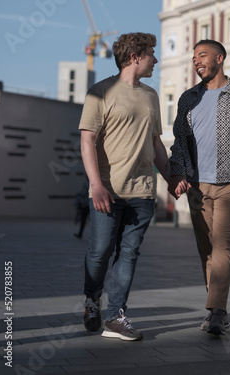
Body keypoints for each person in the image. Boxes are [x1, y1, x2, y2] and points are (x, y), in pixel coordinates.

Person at [168, 39, 230, 336]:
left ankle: (217, 312)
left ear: (219, 58)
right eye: (194, 57)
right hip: (197, 186)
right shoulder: (188, 98)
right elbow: (179, 141)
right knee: (206, 249)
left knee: (222, 246)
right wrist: (178, 174)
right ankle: (216, 306)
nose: (196, 61)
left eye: (202, 55)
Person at [79, 32, 172, 341]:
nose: (155, 60)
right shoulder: (100, 92)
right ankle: (92, 301)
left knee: (129, 254)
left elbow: (156, 143)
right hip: (107, 190)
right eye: (151, 54)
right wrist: (96, 185)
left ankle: (116, 316)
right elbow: (87, 140)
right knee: (100, 251)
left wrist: (172, 179)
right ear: (135, 57)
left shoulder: (151, 96)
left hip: (143, 190)